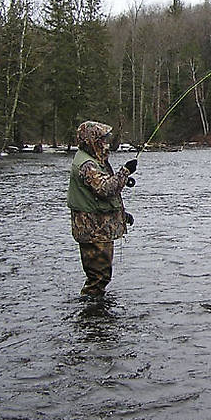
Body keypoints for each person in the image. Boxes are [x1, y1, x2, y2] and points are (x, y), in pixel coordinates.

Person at [67, 121, 137, 297]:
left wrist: (120, 216)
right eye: (103, 139)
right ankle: (91, 313)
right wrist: (125, 172)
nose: (106, 142)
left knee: (100, 276)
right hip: (93, 230)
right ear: (92, 140)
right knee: (98, 277)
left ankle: (95, 311)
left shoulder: (93, 160)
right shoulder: (87, 165)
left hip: (97, 227)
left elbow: (97, 194)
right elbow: (105, 190)